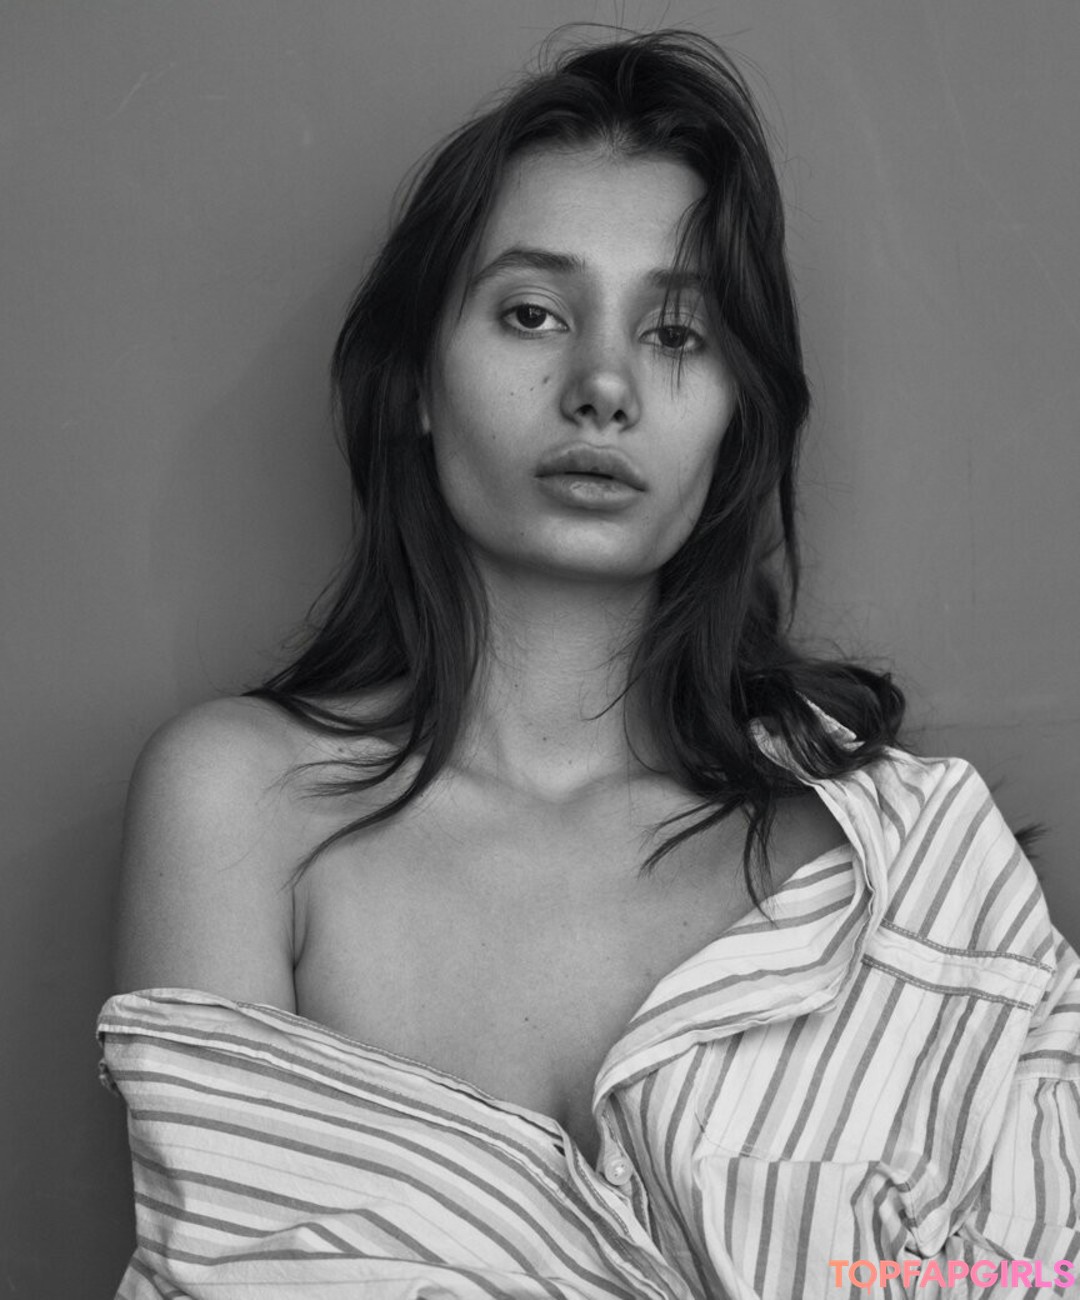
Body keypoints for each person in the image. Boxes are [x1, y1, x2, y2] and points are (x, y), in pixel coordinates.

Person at [98, 29, 1080, 1300]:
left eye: (676, 334)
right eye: (532, 314)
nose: (604, 385)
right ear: (417, 382)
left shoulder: (908, 869)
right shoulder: (242, 806)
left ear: (736, 419)